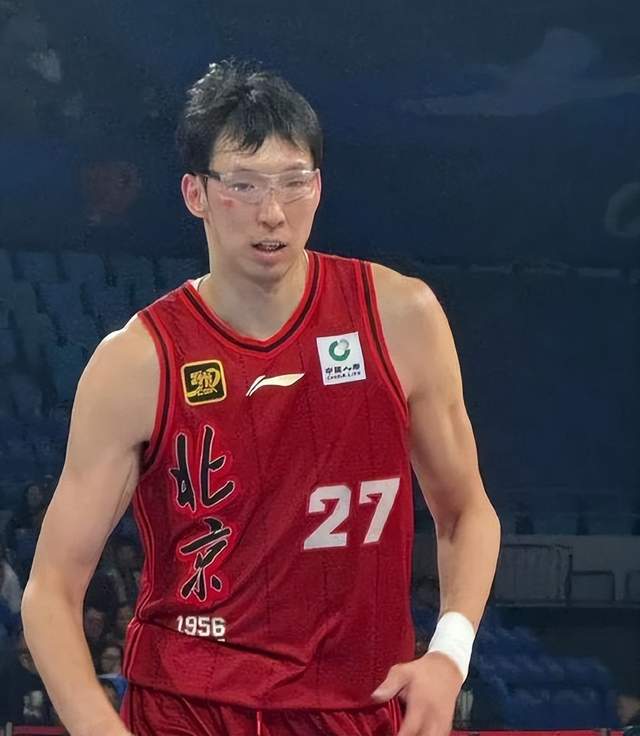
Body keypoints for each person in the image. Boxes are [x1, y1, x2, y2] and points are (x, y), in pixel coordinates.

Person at [21, 59, 501, 736]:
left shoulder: (401, 317)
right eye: (243, 185)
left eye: (292, 182)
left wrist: (449, 655)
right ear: (195, 193)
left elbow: (466, 514)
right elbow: (50, 591)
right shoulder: (136, 362)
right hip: (187, 707)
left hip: (358, 705)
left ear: (318, 186)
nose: (272, 212)